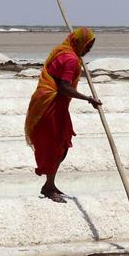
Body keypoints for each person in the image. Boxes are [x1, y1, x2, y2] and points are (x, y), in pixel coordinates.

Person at [24, 27, 101, 203]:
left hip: (48, 102)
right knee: (55, 145)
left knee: (61, 145)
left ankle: (50, 184)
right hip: (52, 105)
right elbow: (64, 87)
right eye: (88, 46)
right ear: (79, 43)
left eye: (90, 47)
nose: (88, 50)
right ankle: (48, 187)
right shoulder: (71, 59)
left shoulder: (62, 52)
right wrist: (89, 99)